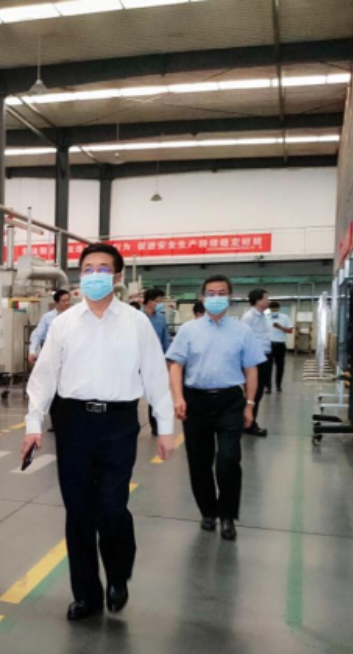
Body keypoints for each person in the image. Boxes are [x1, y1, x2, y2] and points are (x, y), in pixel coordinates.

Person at [22, 243, 175, 621]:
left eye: (102, 269)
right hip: (73, 421)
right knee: (78, 511)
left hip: (118, 423)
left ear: (117, 277)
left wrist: (165, 427)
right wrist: (33, 424)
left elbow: (155, 375)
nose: (94, 275)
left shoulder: (136, 323)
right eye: (88, 268)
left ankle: (118, 575)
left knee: (112, 507)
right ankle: (86, 595)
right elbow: (44, 377)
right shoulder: (64, 323)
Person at [166, 275, 266, 541]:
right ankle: (208, 512)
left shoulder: (242, 331)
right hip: (196, 401)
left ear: (230, 297)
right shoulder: (189, 330)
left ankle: (228, 516)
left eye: (222, 292)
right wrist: (178, 397)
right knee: (199, 462)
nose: (216, 297)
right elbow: (175, 365)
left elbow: (251, 369)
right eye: (211, 293)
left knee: (229, 460)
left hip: (230, 401)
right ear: (202, 297)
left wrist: (250, 404)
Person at [240, 289, 273, 437]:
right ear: (258, 300)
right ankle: (248, 424)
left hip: (264, 356)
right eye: (266, 298)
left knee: (258, 392)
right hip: (255, 358)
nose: (268, 301)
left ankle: (249, 422)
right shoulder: (249, 317)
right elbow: (242, 338)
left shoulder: (262, 316)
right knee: (253, 392)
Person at [142, 288, 170, 436]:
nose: (160, 304)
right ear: (148, 301)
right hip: (138, 361)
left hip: (155, 360)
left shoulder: (161, 319)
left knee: (155, 394)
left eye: (161, 301)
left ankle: (155, 425)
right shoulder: (137, 317)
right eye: (158, 301)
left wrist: (167, 361)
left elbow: (165, 340)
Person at [28, 289, 71, 366]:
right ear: (57, 302)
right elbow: (37, 335)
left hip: (68, 353)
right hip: (51, 352)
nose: (67, 303)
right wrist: (32, 351)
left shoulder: (73, 316)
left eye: (68, 300)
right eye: (64, 301)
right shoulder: (48, 317)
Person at [266, 302, 293, 392]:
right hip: (268, 345)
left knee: (280, 366)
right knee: (268, 367)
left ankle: (278, 385)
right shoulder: (265, 318)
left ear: (279, 308)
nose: (274, 311)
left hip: (280, 345)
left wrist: (280, 327)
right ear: (270, 309)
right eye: (272, 310)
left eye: (276, 309)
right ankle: (268, 387)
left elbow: (290, 331)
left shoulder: (285, 317)